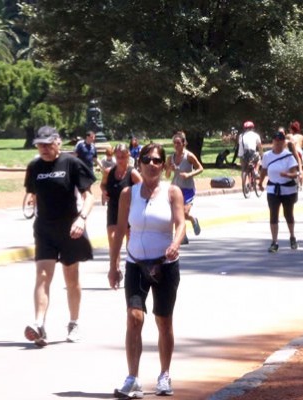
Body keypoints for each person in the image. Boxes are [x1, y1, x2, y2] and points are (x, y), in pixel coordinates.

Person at [108, 143, 185, 398]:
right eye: (147, 160)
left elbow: (181, 223)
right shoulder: (128, 194)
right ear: (138, 163)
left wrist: (175, 244)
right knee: (134, 317)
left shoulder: (172, 192)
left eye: (156, 160)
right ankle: (133, 378)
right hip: (135, 264)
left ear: (163, 165)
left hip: (164, 265)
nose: (151, 164)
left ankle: (164, 375)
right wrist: (113, 265)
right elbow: (120, 230)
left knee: (163, 321)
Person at [23, 126, 96, 347]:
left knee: (71, 279)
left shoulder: (71, 164)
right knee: (42, 276)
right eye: (40, 145)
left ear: (58, 142)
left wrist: (82, 218)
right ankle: (39, 325)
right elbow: (33, 192)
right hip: (44, 228)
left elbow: (89, 196)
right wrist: (32, 201)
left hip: (69, 228)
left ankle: (74, 323)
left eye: (47, 144)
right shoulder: (34, 167)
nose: (43, 148)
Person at [258, 130, 300, 252]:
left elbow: (295, 173)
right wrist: (260, 183)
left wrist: (287, 174)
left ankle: (292, 236)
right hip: (273, 188)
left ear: (283, 143)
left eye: (280, 142)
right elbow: (264, 171)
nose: (278, 144)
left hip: (288, 189)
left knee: (288, 214)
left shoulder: (288, 156)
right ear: (273, 142)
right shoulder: (267, 156)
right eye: (276, 142)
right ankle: (274, 242)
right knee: (273, 214)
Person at [101, 143, 142, 265]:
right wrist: (104, 191)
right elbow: (102, 184)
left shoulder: (133, 173)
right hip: (113, 210)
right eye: (118, 157)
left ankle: (132, 270)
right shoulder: (108, 172)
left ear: (128, 155)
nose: (120, 160)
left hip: (130, 211)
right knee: (114, 242)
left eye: (123, 156)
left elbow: (143, 189)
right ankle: (114, 269)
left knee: (131, 244)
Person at [165, 131, 204, 243]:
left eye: (178, 143)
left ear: (184, 143)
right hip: (175, 188)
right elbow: (167, 176)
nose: (176, 145)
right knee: (176, 213)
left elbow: (200, 168)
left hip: (188, 188)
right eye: (174, 143)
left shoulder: (189, 156)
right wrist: (169, 169)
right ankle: (183, 235)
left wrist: (189, 174)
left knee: (185, 213)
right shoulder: (170, 158)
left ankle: (192, 219)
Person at [237, 121, 263, 186]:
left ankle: (244, 185)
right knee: (258, 159)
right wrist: (261, 154)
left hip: (242, 155)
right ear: (252, 128)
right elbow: (260, 146)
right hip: (252, 154)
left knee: (244, 169)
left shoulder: (241, 135)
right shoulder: (256, 135)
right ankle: (256, 171)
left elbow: (239, 144)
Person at [287, 121, 303, 189]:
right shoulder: (301, 136)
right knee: (301, 168)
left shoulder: (289, 136)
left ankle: (292, 182)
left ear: (292, 129)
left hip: (291, 151)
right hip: (299, 151)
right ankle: (301, 184)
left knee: (292, 167)